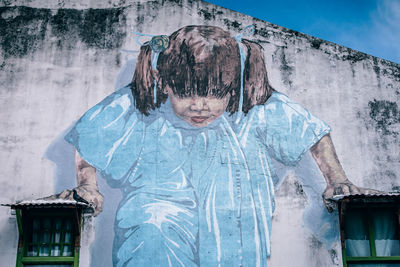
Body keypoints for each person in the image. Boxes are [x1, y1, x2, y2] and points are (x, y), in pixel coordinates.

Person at [59, 25, 370, 266]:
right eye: (185, 93)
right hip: (156, 215)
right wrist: (88, 186)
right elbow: (91, 135)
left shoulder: (254, 107)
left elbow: (310, 131)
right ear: (163, 81)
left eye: (214, 94)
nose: (200, 106)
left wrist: (337, 180)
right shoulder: (143, 104)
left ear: (232, 87)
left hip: (231, 221)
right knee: (153, 227)